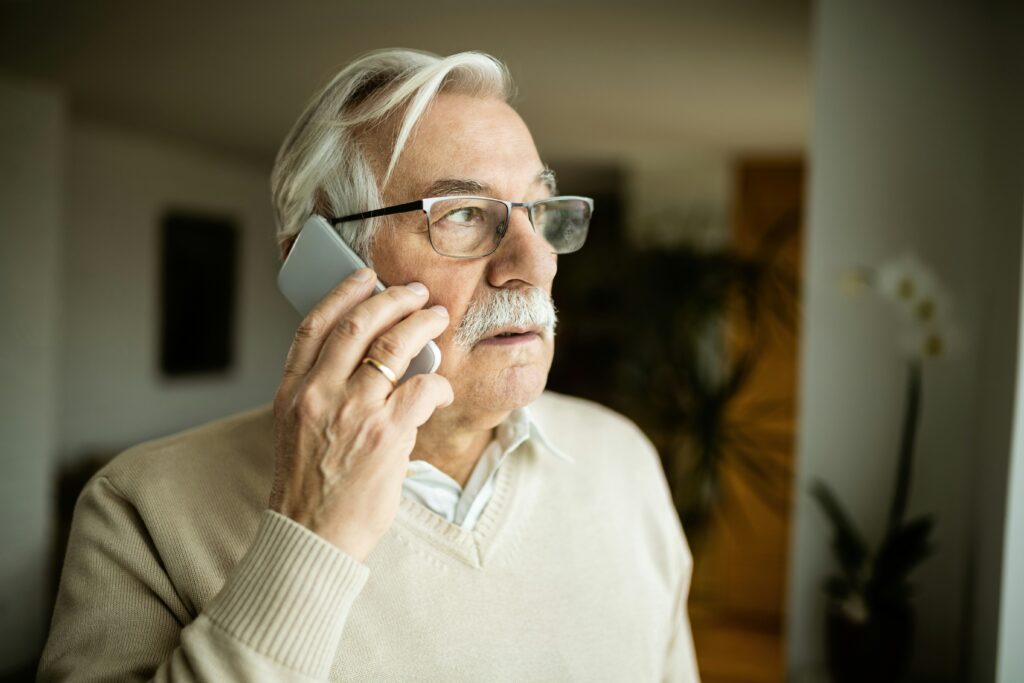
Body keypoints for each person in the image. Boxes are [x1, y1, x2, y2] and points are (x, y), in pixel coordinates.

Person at [38, 48, 700, 682]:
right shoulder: (141, 509)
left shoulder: (624, 459)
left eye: (536, 211)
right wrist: (308, 535)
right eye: (465, 214)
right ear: (323, 266)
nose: (531, 266)